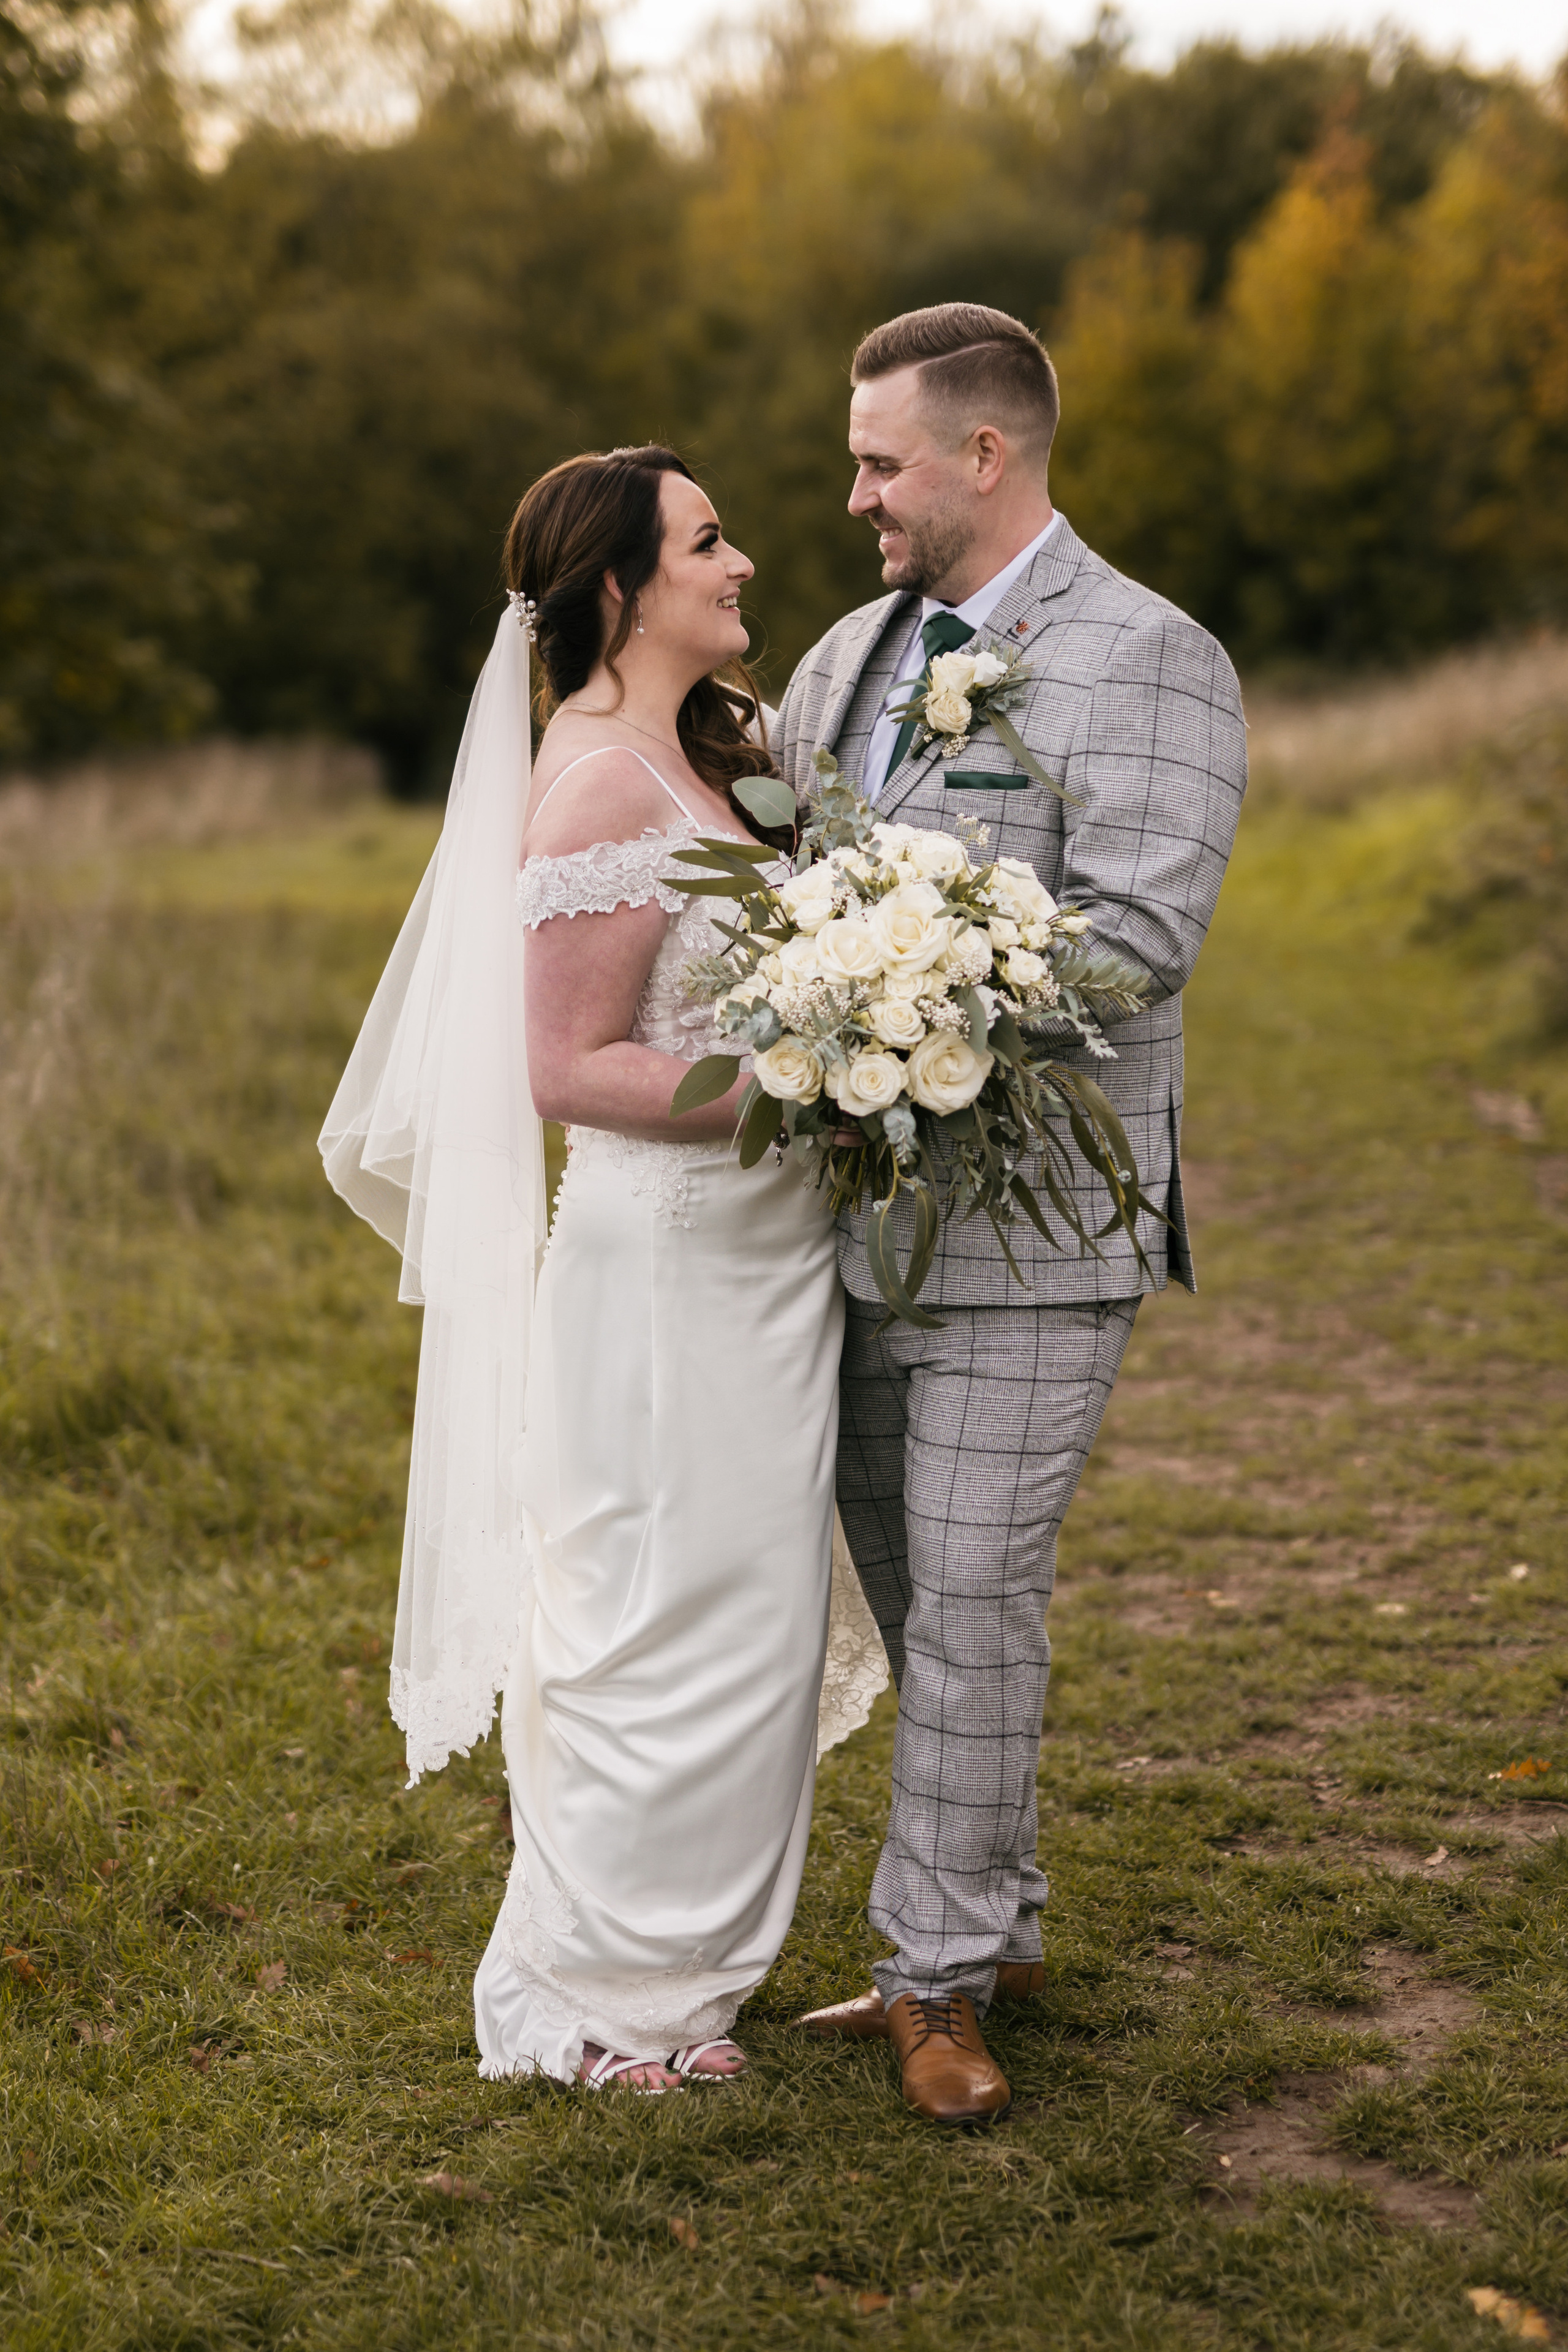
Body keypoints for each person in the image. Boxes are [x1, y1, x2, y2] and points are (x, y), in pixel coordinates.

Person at [321, 446, 884, 2097]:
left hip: (778, 1269)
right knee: (648, 1626)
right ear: (622, 590)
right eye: (710, 541)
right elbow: (565, 1069)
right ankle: (577, 2005)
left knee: (757, 1627)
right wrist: (804, 1090)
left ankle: (691, 1987)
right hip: (669, 1267)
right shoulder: (595, 791)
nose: (747, 562)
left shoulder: (727, 755)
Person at [774, 304, 1248, 2127]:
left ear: (987, 455)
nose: (854, 493)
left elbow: (1138, 934)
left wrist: (906, 1014)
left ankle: (936, 1981)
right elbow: (796, 877)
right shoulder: (844, 656)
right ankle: (1008, 1916)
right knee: (920, 1592)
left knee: (974, 1588)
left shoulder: (1153, 656)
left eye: (881, 460)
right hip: (856, 1227)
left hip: (1045, 1222)